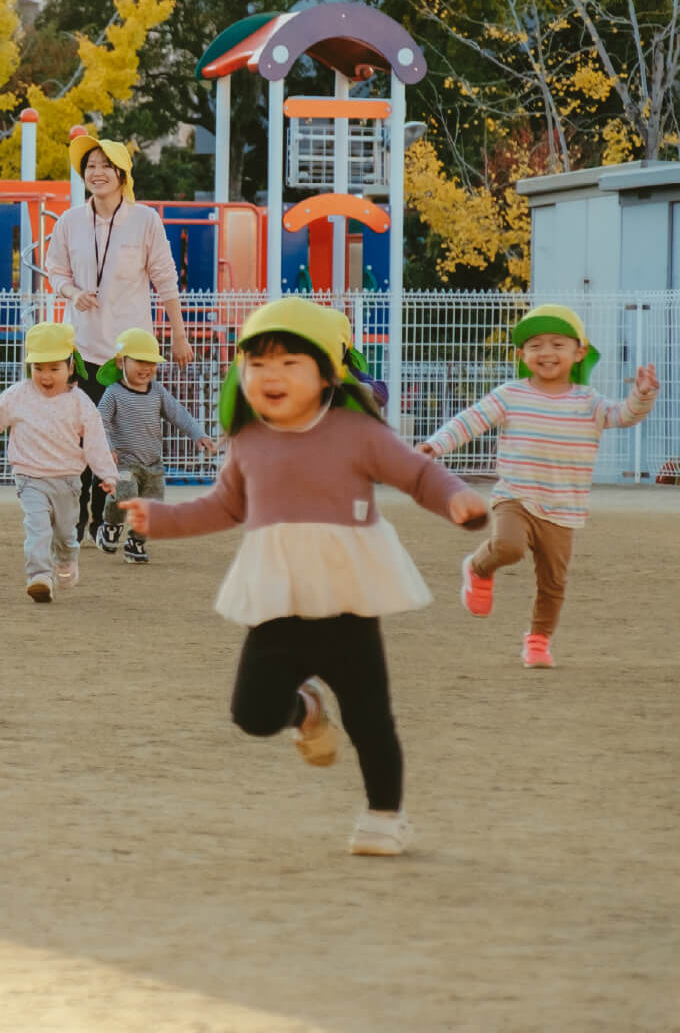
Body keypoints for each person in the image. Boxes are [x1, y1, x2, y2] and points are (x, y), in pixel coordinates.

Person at [118, 297, 488, 857]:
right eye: (259, 363)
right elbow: (225, 507)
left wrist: (456, 498)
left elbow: (417, 474)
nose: (272, 375)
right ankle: (306, 710)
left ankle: (385, 815)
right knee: (252, 714)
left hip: (348, 601)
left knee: (369, 718)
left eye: (290, 363)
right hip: (277, 598)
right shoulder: (248, 441)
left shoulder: (357, 433)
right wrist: (161, 519)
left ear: (325, 373)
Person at [419, 303, 660, 669]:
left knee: (553, 582)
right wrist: (435, 445)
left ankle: (537, 641)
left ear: (579, 352)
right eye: (535, 345)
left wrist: (642, 396)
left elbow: (622, 416)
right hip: (516, 495)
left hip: (565, 506)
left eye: (557, 344)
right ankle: (479, 568)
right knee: (509, 546)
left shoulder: (589, 402)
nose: (546, 353)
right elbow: (471, 420)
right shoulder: (511, 394)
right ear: (521, 354)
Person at [42, 134, 193, 544]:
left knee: (120, 446)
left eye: (106, 165)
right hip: (83, 350)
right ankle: (78, 520)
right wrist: (74, 294)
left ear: (122, 174)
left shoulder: (145, 220)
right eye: (90, 166)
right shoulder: (70, 222)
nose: (97, 172)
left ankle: (105, 520)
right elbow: (55, 270)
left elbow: (165, 279)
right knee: (81, 440)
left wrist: (178, 336)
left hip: (128, 358)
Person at [0, 322, 116, 604]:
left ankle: (66, 560)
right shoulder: (18, 395)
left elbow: (96, 441)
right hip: (29, 478)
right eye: (39, 368)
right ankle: (39, 576)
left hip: (67, 480)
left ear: (71, 367)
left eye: (54, 368)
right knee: (37, 528)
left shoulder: (80, 402)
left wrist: (106, 474)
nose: (46, 376)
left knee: (65, 533)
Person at [94, 326, 217, 564]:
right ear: (121, 363)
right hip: (125, 462)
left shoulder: (157, 392)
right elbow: (101, 422)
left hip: (153, 465)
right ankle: (110, 526)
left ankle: (136, 543)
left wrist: (198, 434)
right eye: (139, 361)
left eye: (151, 362)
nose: (146, 368)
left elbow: (178, 414)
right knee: (124, 494)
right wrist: (107, 448)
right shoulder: (113, 393)